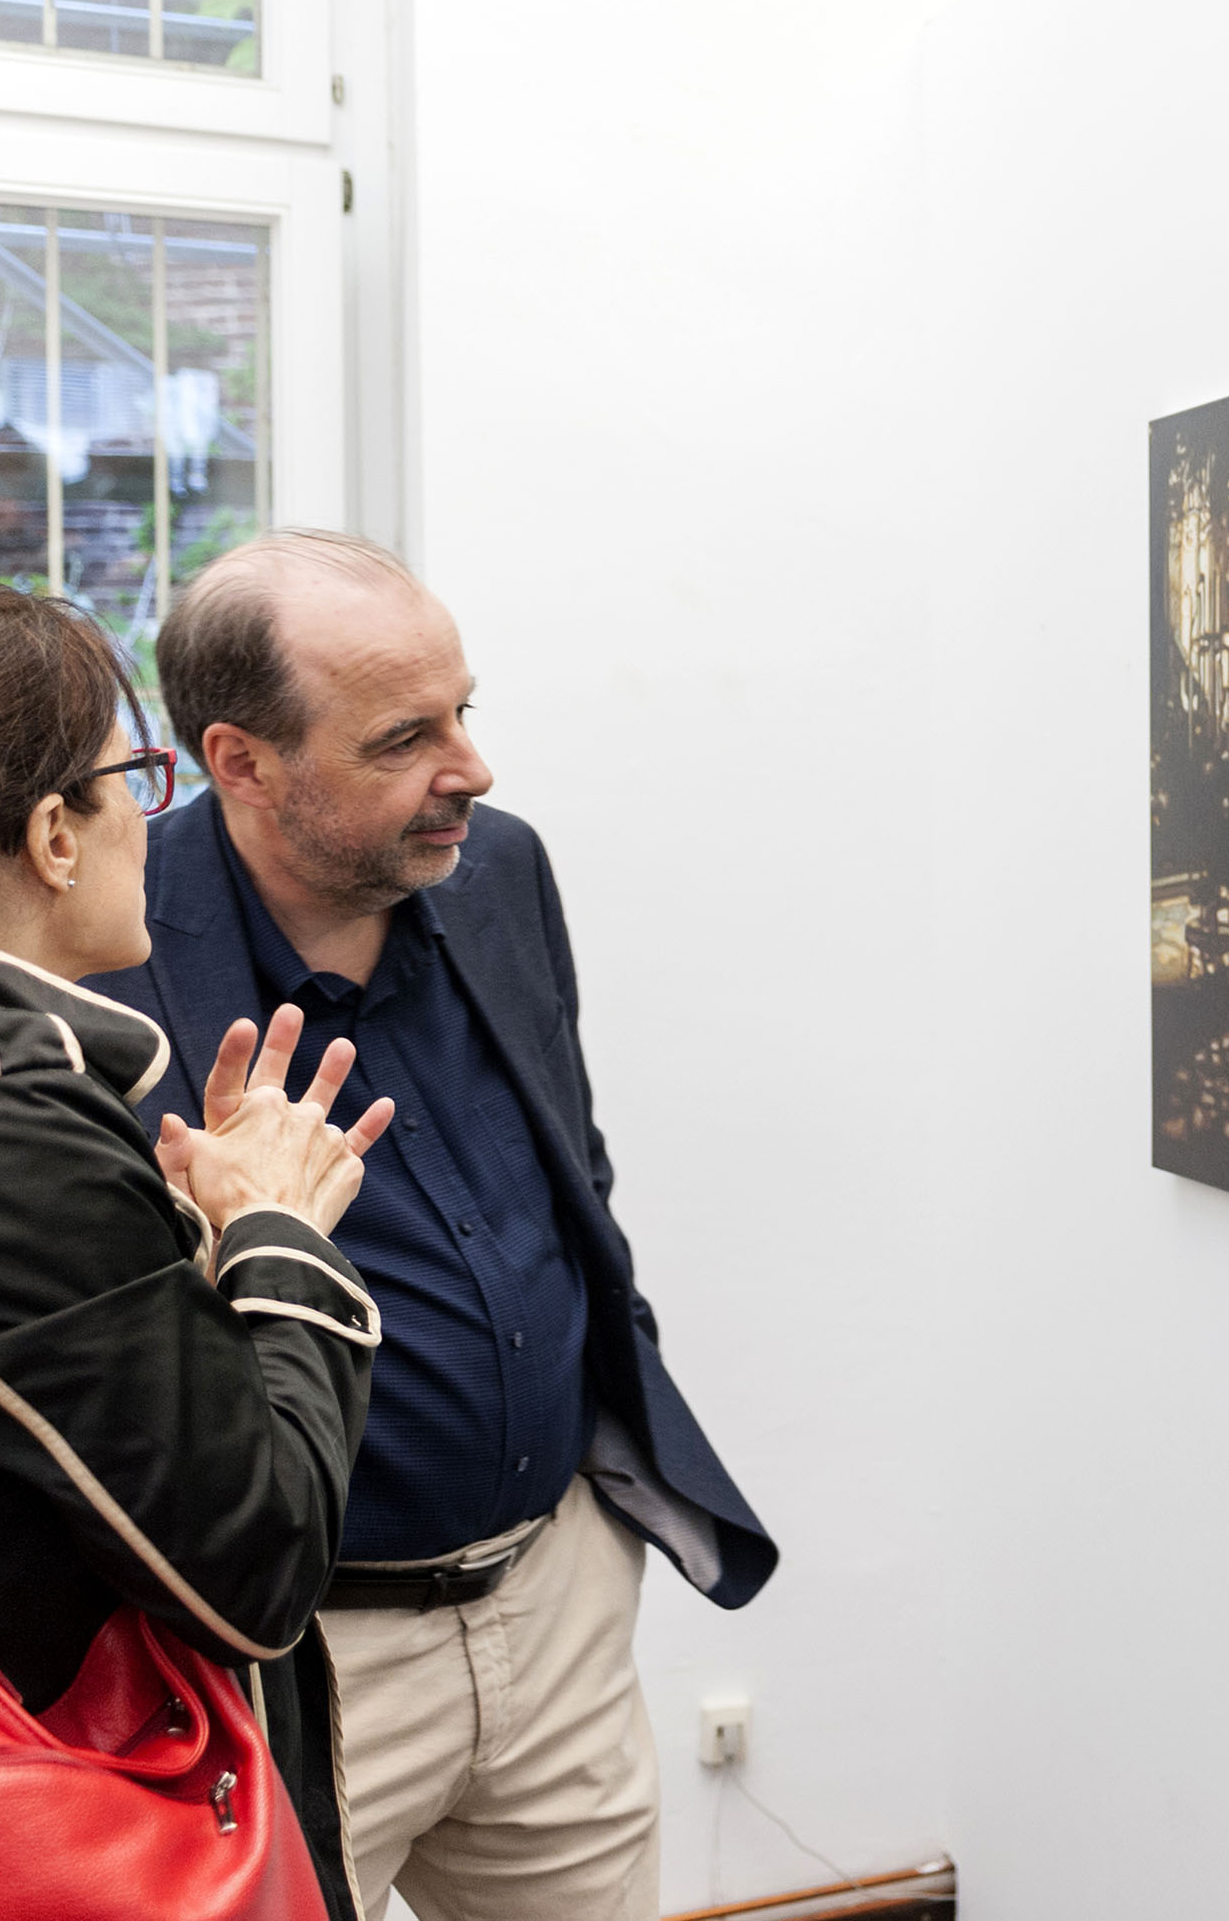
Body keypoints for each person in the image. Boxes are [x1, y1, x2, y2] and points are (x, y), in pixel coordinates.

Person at [92, 530, 776, 1921]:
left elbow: (570, 1164)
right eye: (406, 738)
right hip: (296, 1658)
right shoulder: (105, 958)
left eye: (463, 710)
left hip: (556, 1602)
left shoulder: (498, 868)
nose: (472, 767)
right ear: (241, 763)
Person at [0, 564, 388, 1911]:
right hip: (0, 1847)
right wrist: (278, 1234)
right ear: (53, 835)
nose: (151, 824)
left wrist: (179, 1255)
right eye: (134, 778)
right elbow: (255, 1564)